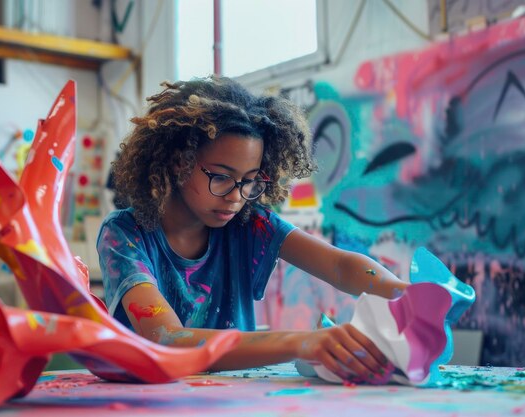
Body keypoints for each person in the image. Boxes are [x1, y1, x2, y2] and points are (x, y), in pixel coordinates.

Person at [97, 76, 408, 383]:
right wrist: (301, 342)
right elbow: (168, 339)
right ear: (179, 162)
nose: (236, 196)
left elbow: (340, 266)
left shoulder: (248, 224)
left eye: (249, 181)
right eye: (220, 177)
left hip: (233, 400)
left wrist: (408, 295)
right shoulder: (125, 234)